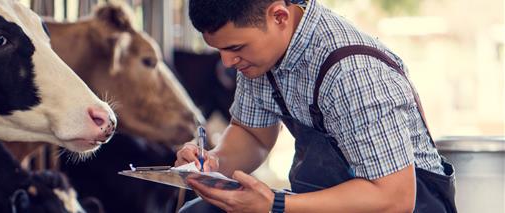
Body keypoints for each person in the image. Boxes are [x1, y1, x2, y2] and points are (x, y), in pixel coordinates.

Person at [175, 0, 457, 212]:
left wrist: (275, 204)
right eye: (220, 50)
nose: (226, 63)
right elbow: (253, 136)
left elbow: (394, 198)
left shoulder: (352, 72)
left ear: (279, 16)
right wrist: (212, 164)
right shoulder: (260, 56)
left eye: (235, 48)